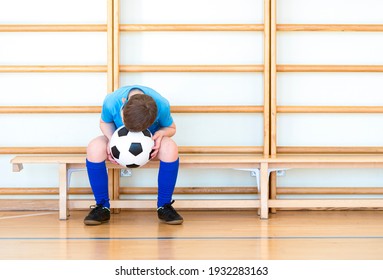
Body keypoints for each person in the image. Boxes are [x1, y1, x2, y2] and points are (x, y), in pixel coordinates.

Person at [84, 85, 183, 225]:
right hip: (117, 139)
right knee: (94, 148)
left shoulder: (162, 104)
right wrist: (112, 140)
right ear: (123, 106)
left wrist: (161, 133)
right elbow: (104, 122)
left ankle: (164, 205)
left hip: (150, 142)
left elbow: (171, 128)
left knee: (171, 148)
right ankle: (102, 206)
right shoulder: (112, 101)